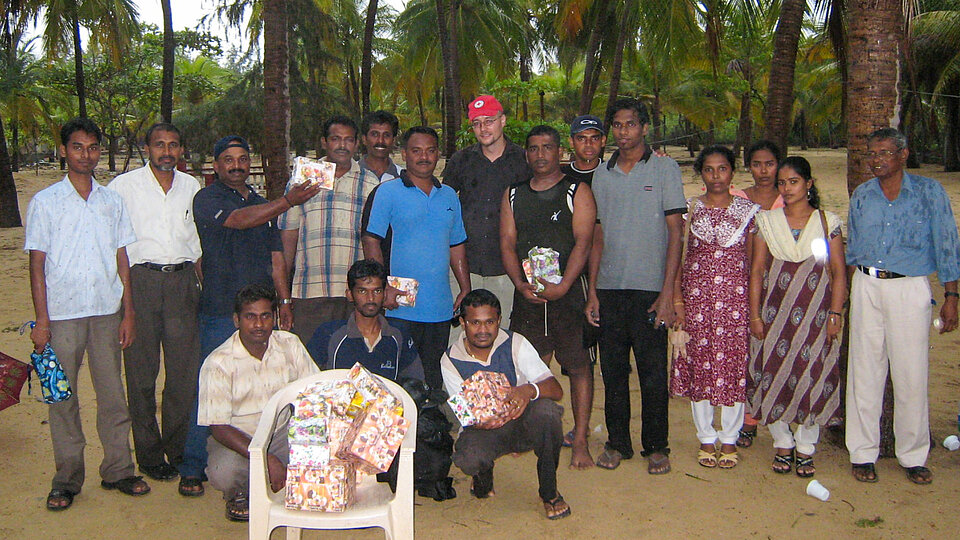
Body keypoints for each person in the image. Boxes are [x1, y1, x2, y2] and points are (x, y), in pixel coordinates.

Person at [178, 135, 321, 497]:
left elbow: (276, 259)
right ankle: (193, 467)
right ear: (216, 165)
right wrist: (288, 200)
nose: (237, 165)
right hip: (219, 311)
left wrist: (284, 302)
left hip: (260, 314)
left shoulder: (262, 203)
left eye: (243, 158)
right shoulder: (207, 199)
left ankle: (268, 453)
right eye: (229, 159)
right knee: (209, 390)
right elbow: (239, 221)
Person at [25, 117, 149, 510]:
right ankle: (66, 478)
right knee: (62, 398)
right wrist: (41, 321)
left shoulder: (111, 201)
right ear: (64, 150)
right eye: (78, 147)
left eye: (93, 147)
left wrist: (128, 313)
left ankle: (118, 469)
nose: (86, 155)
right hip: (61, 317)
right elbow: (37, 265)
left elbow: (122, 258)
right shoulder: (45, 202)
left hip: (106, 313)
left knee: (113, 395)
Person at [845, 127, 960, 485]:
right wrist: (851, 292)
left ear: (903, 154)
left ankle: (912, 455)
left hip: (909, 288)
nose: (876, 160)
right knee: (864, 371)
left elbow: (946, 243)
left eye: (883, 153)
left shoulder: (928, 193)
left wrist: (951, 296)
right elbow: (852, 249)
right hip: (866, 285)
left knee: (911, 373)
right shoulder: (862, 195)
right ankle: (862, 453)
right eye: (871, 154)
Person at [585, 98, 686, 474]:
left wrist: (668, 293)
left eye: (630, 124)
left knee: (652, 373)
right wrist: (593, 290)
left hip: (650, 290)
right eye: (617, 125)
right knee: (612, 372)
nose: (623, 131)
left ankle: (657, 446)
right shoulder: (602, 174)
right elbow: (596, 234)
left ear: (644, 127)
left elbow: (676, 232)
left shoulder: (665, 169)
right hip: (610, 288)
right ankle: (617, 442)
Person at [307, 259, 458, 502]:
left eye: (377, 291)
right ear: (349, 295)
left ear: (385, 293)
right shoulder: (329, 334)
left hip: (385, 428)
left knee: (433, 461)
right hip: (340, 428)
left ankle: (375, 475)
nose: (370, 298)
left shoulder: (397, 336)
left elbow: (415, 386)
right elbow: (310, 386)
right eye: (362, 291)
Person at [106, 122, 201, 482]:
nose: (167, 152)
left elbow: (196, 247)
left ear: (181, 150)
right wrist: (126, 306)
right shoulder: (123, 188)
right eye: (159, 145)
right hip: (140, 283)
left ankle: (177, 450)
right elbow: (117, 249)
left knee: (182, 375)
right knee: (141, 374)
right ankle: (148, 454)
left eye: (173, 145)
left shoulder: (191, 187)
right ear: (147, 148)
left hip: (182, 282)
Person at [499, 125, 597, 469]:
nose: (540, 155)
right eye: (534, 148)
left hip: (567, 295)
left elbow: (583, 242)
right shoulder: (514, 194)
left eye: (547, 148)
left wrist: (566, 285)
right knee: (530, 365)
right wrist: (520, 283)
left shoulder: (576, 190)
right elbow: (507, 243)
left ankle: (580, 438)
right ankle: (528, 434)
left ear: (560, 152)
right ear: (526, 154)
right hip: (529, 295)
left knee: (578, 366)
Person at [747, 156, 846, 478]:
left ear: (809, 184)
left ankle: (805, 448)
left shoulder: (827, 223)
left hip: (816, 318)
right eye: (782, 183)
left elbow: (837, 272)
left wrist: (835, 313)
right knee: (773, 373)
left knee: (811, 374)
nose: (787, 189)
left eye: (794, 182)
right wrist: (755, 315)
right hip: (775, 316)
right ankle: (782, 443)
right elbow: (758, 270)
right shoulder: (767, 223)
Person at [440, 289, 570, 520]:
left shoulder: (515, 343)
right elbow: (464, 414)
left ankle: (549, 492)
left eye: (489, 322)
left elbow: (556, 390)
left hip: (522, 421)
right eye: (475, 323)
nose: (482, 330)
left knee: (548, 413)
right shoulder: (450, 360)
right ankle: (483, 473)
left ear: (499, 321)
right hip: (482, 429)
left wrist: (528, 390)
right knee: (469, 458)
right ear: (462, 323)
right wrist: (486, 420)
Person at [362, 126, 471, 393]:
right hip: (400, 304)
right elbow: (371, 239)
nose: (424, 157)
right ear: (404, 154)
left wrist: (465, 288)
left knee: (434, 375)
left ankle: (431, 430)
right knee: (398, 378)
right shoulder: (387, 192)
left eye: (430, 151)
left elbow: (456, 245)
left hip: (439, 305)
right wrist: (382, 287)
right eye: (416, 151)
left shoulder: (449, 196)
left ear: (438, 155)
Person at [197, 284, 319, 521]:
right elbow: (219, 427)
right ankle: (241, 492)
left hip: (283, 433)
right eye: (250, 317)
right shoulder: (218, 363)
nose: (259, 324)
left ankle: (286, 484)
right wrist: (266, 458)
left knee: (325, 449)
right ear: (236, 320)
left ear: (274, 318)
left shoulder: (290, 344)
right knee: (223, 472)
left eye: (265, 316)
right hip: (239, 439)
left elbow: (314, 394)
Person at [671, 145, 758, 469]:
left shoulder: (749, 213)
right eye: (709, 170)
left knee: (733, 367)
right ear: (701, 173)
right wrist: (678, 301)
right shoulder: (689, 210)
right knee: (701, 367)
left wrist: (753, 309)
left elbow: (753, 263)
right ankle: (706, 436)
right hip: (697, 303)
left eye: (722, 169)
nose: (716, 176)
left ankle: (730, 437)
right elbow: (679, 258)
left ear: (732, 172)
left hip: (735, 304)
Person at [280, 115, 380, 343]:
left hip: (356, 294)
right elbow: (288, 238)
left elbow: (377, 241)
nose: (342, 145)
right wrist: (284, 297)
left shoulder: (371, 183)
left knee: (352, 366)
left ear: (356, 144)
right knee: (311, 366)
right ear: (324, 142)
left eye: (348, 140)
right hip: (309, 292)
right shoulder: (303, 179)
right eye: (336, 139)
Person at [442, 95, 531, 324]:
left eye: (489, 120)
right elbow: (445, 208)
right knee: (458, 337)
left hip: (507, 270)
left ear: (503, 120)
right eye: (477, 123)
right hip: (464, 269)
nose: (483, 128)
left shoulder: (524, 161)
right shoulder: (460, 161)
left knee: (502, 337)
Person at [731, 139, 784, 448]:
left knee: (777, 351)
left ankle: (779, 417)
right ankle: (748, 420)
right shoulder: (738, 199)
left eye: (770, 164)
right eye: (756, 164)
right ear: (748, 167)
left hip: (781, 286)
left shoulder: (789, 196)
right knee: (748, 353)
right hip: (740, 284)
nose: (763, 171)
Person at [561, 114, 606, 185]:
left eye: (595, 138)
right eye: (581, 139)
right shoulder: (560, 177)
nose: (588, 144)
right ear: (571, 142)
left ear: (603, 141)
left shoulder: (612, 175)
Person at [359, 110, 402, 181]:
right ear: (364, 139)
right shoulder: (348, 175)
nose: (380, 140)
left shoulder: (403, 178)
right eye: (375, 134)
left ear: (393, 140)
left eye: (386, 135)